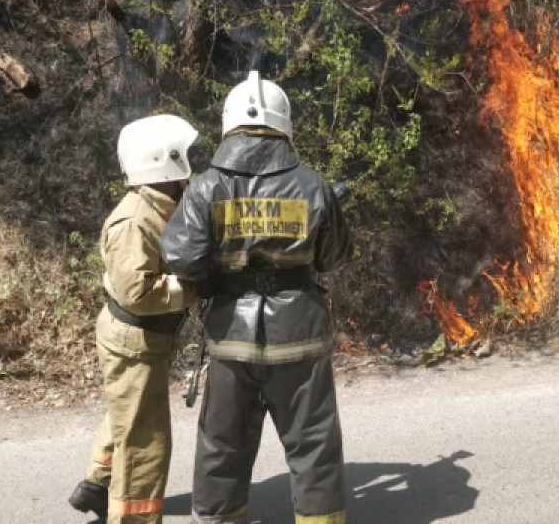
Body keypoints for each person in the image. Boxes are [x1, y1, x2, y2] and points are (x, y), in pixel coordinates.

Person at [160, 70, 353, 524]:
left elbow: (181, 258)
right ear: (284, 124)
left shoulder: (206, 187)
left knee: (222, 444)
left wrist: (218, 272)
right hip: (300, 334)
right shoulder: (313, 185)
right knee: (313, 442)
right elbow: (334, 257)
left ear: (228, 123)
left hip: (231, 337)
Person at [69, 114, 199, 524]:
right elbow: (138, 293)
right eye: (185, 158)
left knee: (129, 414)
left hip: (140, 338)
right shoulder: (136, 219)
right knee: (145, 440)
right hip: (135, 338)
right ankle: (133, 517)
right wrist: (196, 286)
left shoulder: (158, 206)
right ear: (166, 162)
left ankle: (99, 483)